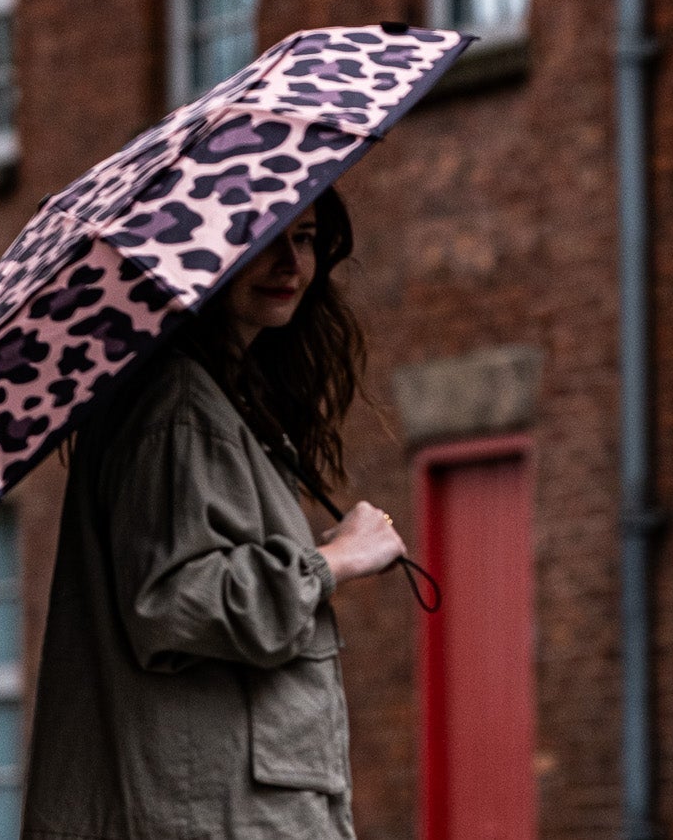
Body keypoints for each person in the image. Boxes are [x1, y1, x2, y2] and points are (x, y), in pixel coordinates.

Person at [20, 187, 404, 840]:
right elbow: (173, 599)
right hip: (211, 813)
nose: (290, 263)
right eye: (264, 236)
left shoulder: (210, 399)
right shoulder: (177, 405)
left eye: (304, 238)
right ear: (199, 249)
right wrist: (335, 561)